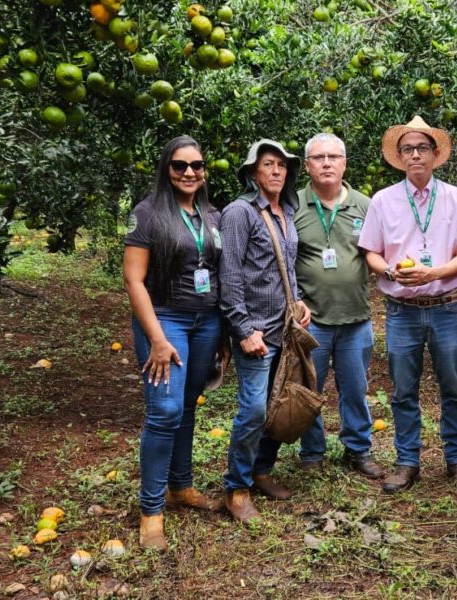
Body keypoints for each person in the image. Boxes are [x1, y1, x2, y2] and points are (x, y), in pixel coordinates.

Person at [358, 116, 457, 494]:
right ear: (399, 156)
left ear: (434, 154)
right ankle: (407, 460)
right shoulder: (383, 200)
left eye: (422, 148)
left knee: (454, 386)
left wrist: (436, 273)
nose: (415, 155)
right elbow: (371, 254)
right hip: (401, 311)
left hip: (446, 305)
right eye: (408, 149)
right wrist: (393, 274)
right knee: (403, 390)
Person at [123, 135, 225, 550]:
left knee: (187, 404)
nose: (189, 173)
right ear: (167, 169)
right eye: (180, 166)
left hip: (207, 322)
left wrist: (224, 335)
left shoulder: (211, 215)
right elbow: (133, 280)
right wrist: (158, 339)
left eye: (197, 166)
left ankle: (180, 486)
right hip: (166, 320)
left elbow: (218, 272)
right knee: (164, 410)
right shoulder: (147, 214)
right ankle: (151, 511)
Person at [219, 139, 312, 523]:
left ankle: (261, 471)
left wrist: (301, 300)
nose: (276, 171)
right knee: (255, 409)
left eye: (282, 165)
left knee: (278, 407)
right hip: (256, 333)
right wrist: (242, 328)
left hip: (284, 328)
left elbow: (285, 269)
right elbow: (230, 275)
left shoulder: (286, 213)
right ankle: (237, 488)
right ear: (253, 172)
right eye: (268, 164)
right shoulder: (240, 213)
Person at [293, 133, 384, 479]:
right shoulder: (292, 204)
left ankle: (357, 450)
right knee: (309, 389)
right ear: (307, 166)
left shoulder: (365, 204)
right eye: (319, 158)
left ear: (345, 163)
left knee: (355, 389)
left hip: (356, 317)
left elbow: (377, 251)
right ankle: (312, 452)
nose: (327, 163)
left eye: (334, 156)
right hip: (310, 321)